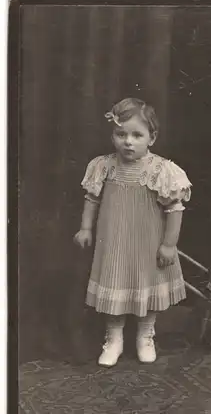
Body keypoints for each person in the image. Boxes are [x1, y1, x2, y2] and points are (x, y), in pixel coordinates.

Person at [74, 98, 192, 367]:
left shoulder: (161, 170)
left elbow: (175, 208)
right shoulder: (103, 166)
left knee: (145, 288)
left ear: (152, 138)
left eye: (137, 135)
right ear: (112, 135)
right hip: (114, 241)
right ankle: (113, 338)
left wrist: (169, 245)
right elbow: (91, 199)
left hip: (146, 243)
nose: (128, 141)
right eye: (121, 134)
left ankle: (145, 336)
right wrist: (85, 228)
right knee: (114, 284)